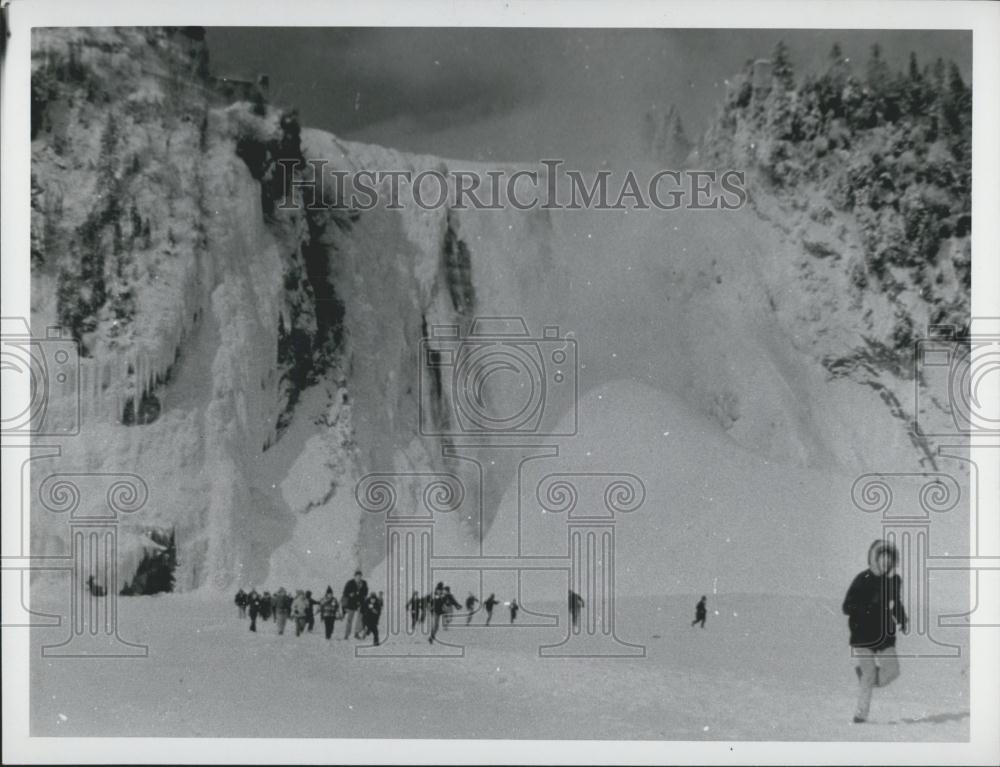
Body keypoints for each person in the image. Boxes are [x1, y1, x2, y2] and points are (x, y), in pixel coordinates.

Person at [842, 539, 908, 724]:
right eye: (883, 559)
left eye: (890, 561)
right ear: (875, 558)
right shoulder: (862, 579)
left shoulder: (891, 582)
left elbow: (895, 604)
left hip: (884, 636)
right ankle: (860, 715)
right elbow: (846, 606)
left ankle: (864, 677)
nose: (886, 564)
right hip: (862, 635)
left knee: (893, 671)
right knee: (869, 673)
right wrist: (866, 607)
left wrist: (902, 619)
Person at [341, 570, 369, 639]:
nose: (359, 578)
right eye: (357, 576)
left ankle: (356, 633)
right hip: (351, 603)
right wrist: (350, 594)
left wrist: (362, 596)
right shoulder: (350, 583)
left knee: (360, 619)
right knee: (349, 619)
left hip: (360, 603)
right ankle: (346, 635)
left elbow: (366, 591)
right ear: (355, 576)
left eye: (360, 576)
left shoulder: (364, 583)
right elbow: (345, 592)